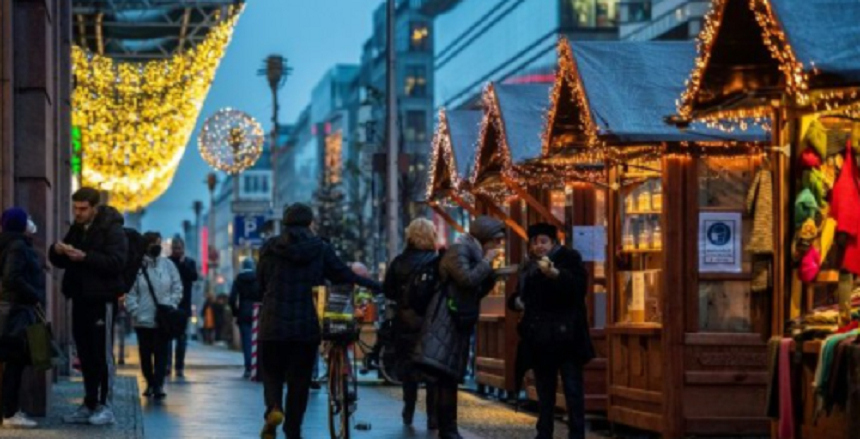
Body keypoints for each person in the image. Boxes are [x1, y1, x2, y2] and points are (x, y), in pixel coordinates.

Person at [257, 203, 381, 439]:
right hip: (305, 326)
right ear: (309, 223)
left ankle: (274, 407)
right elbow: (343, 276)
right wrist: (375, 286)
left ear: (285, 223)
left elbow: (260, 283)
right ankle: (293, 430)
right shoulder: (320, 249)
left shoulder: (269, 248)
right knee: (299, 380)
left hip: (272, 324)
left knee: (272, 372)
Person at [415, 215, 505, 439]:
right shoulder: (460, 250)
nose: (498, 246)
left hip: (457, 319)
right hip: (446, 319)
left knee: (449, 376)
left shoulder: (470, 251)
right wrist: (487, 263)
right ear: (485, 238)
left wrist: (491, 274)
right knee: (446, 375)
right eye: (496, 241)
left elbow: (475, 291)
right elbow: (467, 280)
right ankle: (448, 429)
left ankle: (449, 428)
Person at [508, 223, 594, 439]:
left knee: (572, 389)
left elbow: (578, 288)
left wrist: (555, 274)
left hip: (567, 338)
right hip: (541, 339)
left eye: (543, 241)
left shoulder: (569, 258)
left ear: (554, 242)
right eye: (535, 242)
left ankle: (576, 433)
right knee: (545, 392)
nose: (539, 246)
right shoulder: (529, 266)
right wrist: (517, 302)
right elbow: (520, 295)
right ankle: (543, 432)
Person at [50, 187, 128, 426]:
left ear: (94, 208)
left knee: (101, 353)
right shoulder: (77, 228)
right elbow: (60, 261)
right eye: (75, 208)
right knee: (84, 353)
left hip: (101, 299)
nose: (78, 213)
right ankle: (90, 403)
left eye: (83, 209)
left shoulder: (112, 229)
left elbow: (116, 262)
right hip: (80, 297)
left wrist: (85, 257)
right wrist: (57, 250)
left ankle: (106, 406)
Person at [383, 218, 440, 429]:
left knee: (409, 369)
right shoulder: (436, 262)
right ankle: (432, 416)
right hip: (430, 322)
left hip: (404, 322)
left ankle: (408, 410)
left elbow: (388, 290)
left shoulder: (399, 262)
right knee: (432, 368)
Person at [0, 208, 45, 428]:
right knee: (15, 364)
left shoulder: (10, 243)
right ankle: (10, 413)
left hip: (10, 310)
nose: (31, 222)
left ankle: (10, 411)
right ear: (20, 224)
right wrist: (35, 296)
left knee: (12, 363)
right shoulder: (17, 246)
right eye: (27, 219)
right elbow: (12, 277)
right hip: (16, 312)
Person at [125, 232, 182, 400]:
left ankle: (158, 385)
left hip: (163, 319)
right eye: (152, 244)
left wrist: (171, 306)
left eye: (158, 243)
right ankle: (149, 381)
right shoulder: (137, 267)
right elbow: (129, 292)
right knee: (145, 354)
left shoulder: (168, 266)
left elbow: (177, 287)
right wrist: (136, 311)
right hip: (143, 321)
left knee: (162, 354)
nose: (156, 246)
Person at [166, 237, 198, 378]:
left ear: (183, 249)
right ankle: (167, 365)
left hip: (184, 306)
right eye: (175, 248)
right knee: (167, 338)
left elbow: (193, 277)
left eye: (179, 248)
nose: (177, 251)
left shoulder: (189, 262)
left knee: (182, 338)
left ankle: (179, 366)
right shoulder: (167, 263)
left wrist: (183, 264)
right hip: (169, 305)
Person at [230, 257, 262, 378]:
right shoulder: (258, 278)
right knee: (258, 341)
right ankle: (258, 368)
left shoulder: (239, 279)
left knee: (247, 341)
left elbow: (232, 298)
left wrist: (235, 312)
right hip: (257, 311)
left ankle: (248, 368)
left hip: (243, 311)